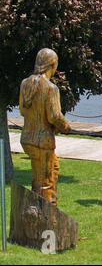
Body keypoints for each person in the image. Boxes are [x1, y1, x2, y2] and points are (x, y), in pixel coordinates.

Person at [19, 48, 71, 205]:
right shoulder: (50, 88)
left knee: (47, 172)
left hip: (28, 138)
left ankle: (35, 208)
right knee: (46, 183)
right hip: (43, 141)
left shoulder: (24, 84)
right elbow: (54, 116)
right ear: (53, 64)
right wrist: (66, 126)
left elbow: (22, 110)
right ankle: (47, 217)